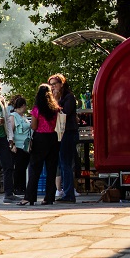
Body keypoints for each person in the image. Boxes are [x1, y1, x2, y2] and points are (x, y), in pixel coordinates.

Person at [20, 83, 61, 206]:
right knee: (51, 169)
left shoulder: (37, 109)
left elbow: (33, 125)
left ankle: (30, 197)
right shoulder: (55, 109)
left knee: (35, 169)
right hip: (53, 138)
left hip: (40, 138)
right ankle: (49, 198)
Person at [48, 74, 79, 203]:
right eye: (51, 84)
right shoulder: (59, 97)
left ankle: (69, 194)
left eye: (55, 84)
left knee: (66, 163)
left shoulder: (69, 97)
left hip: (68, 132)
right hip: (60, 133)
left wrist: (55, 100)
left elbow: (64, 113)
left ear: (61, 84)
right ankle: (67, 192)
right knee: (62, 163)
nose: (53, 86)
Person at [8, 96, 32, 198]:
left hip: (25, 146)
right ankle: (17, 187)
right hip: (17, 146)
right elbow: (10, 131)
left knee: (23, 167)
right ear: (22, 106)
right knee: (18, 168)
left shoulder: (24, 117)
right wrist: (12, 144)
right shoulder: (13, 116)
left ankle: (22, 187)